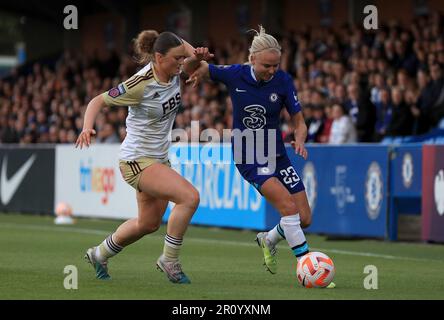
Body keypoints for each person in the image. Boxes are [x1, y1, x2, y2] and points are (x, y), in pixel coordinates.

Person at [188, 26, 334, 287]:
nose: (272, 70)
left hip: (276, 154)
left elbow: (299, 121)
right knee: (287, 208)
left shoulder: (284, 81)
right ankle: (308, 267)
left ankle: (268, 239)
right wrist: (196, 61)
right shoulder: (235, 74)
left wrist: (300, 138)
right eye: (267, 65)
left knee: (304, 218)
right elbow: (194, 68)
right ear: (252, 59)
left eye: (276, 65)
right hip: (248, 154)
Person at [75, 30, 213, 284]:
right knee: (189, 197)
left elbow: (189, 56)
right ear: (158, 58)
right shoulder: (139, 84)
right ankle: (169, 260)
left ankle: (99, 253)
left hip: (158, 159)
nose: (181, 64)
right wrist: (87, 127)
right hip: (136, 161)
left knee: (148, 224)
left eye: (182, 59)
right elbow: (97, 101)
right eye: (176, 60)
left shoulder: (172, 70)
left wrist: (198, 57)